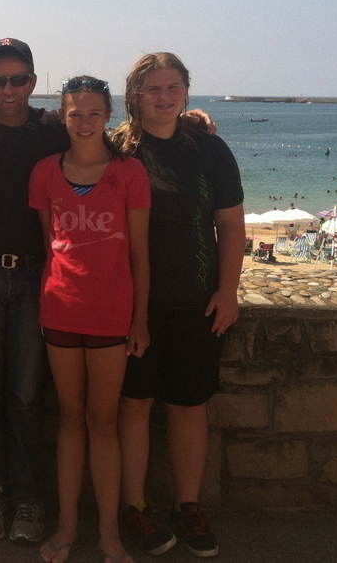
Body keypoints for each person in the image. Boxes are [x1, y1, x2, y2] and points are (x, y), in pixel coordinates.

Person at [0, 38, 215, 546]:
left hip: (34, 278)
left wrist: (185, 122)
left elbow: (98, 134)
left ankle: (28, 497)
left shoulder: (53, 127)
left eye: (18, 79)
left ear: (32, 81)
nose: (9, 89)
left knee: (28, 395)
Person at [113, 53, 245, 559]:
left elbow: (230, 224)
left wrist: (228, 291)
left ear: (187, 92)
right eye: (153, 89)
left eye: (173, 88)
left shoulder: (209, 149)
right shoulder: (116, 149)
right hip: (133, 306)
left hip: (197, 300)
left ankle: (188, 505)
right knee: (134, 404)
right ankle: (134, 506)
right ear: (135, 96)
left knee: (189, 405)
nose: (164, 97)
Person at [29, 76, 151, 563]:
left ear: (108, 117)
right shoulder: (44, 172)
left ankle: (108, 534)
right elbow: (50, 245)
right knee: (70, 419)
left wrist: (140, 321)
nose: (84, 123)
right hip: (59, 309)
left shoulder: (129, 173)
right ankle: (66, 527)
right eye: (75, 114)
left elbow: (139, 254)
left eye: (94, 113)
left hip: (111, 314)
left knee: (103, 422)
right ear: (63, 117)